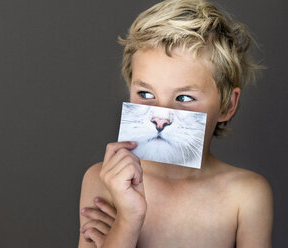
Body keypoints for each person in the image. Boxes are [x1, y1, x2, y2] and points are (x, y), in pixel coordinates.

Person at [78, 0, 273, 247]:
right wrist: (128, 220)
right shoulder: (105, 181)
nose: (161, 115)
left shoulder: (246, 195)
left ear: (227, 105)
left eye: (184, 98)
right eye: (146, 94)